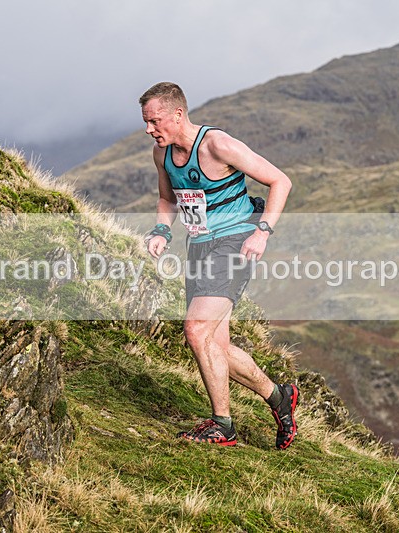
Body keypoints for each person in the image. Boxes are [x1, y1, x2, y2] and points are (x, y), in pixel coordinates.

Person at [139, 82, 297, 448]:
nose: (150, 129)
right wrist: (163, 229)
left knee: (196, 329)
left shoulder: (216, 145)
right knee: (217, 346)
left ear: (178, 115)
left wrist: (262, 232)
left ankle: (222, 425)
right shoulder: (161, 154)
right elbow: (167, 197)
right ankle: (280, 397)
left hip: (235, 242)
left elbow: (280, 181)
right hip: (200, 246)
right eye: (146, 122)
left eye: (155, 120)